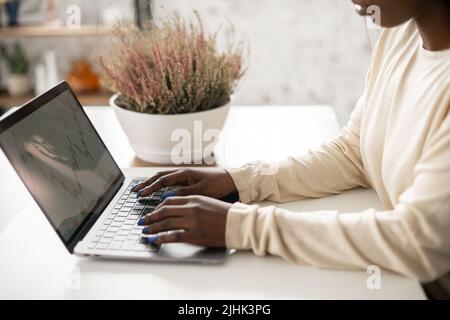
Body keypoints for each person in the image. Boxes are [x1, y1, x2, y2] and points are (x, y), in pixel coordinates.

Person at [133, 0, 450, 283]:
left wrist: (241, 226)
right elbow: (354, 154)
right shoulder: (401, 35)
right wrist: (239, 180)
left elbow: (418, 243)